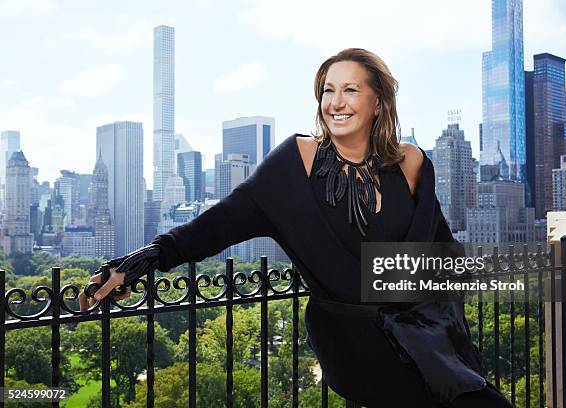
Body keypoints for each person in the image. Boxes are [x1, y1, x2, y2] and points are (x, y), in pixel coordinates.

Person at [80, 48, 511, 408]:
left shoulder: (412, 161)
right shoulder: (292, 164)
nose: (336, 102)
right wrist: (138, 262)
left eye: (350, 89)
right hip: (356, 342)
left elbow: (442, 251)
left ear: (378, 101)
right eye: (327, 91)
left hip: (423, 334)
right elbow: (214, 225)